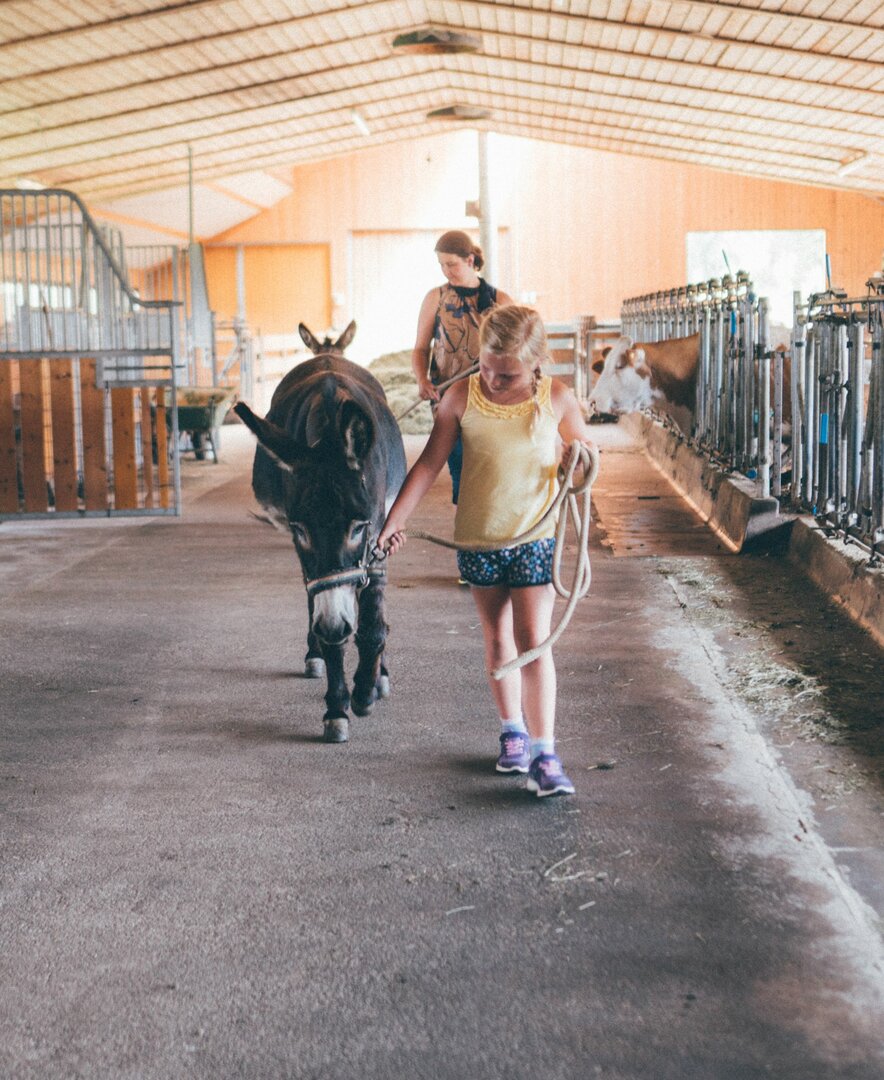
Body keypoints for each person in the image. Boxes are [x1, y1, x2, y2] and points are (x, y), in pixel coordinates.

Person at [380, 305, 598, 798]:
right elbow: (429, 464)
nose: (495, 381)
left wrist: (575, 462)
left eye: (509, 374)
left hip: (533, 539)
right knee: (498, 637)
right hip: (479, 538)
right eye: (488, 368)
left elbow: (585, 469)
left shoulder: (557, 399)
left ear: (538, 363)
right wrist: (394, 520)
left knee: (534, 640)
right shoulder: (461, 396)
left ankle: (545, 753)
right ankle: (512, 731)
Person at [411, 230, 514, 503]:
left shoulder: (500, 301)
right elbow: (421, 349)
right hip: (447, 400)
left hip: (493, 399)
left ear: (470, 260)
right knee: (461, 473)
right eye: (442, 265)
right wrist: (422, 380)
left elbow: (516, 353)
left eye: (452, 264)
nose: (446, 271)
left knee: (493, 471)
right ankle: (470, 533)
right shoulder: (436, 298)